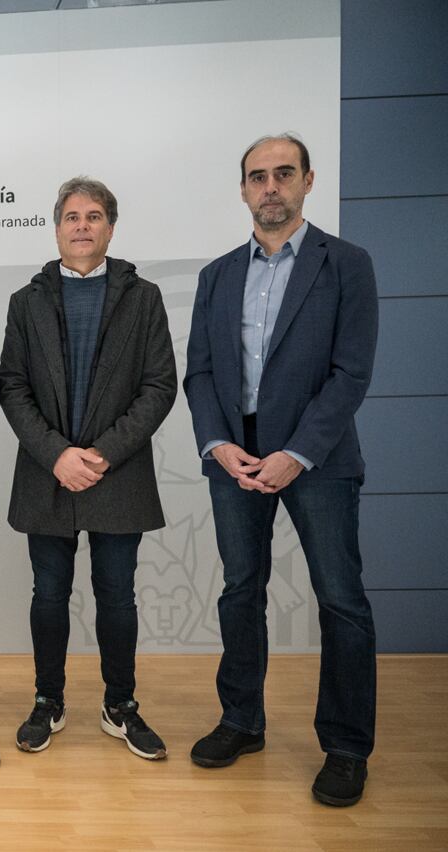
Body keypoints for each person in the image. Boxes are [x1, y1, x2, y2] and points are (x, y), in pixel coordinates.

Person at [184, 134, 379, 806]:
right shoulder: (217, 276)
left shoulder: (347, 264)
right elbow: (201, 371)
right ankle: (242, 720)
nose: (271, 187)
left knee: (341, 602)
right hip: (235, 458)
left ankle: (347, 748)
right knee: (241, 591)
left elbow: (351, 373)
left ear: (307, 181)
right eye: (257, 177)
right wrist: (216, 442)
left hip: (317, 458)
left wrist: (295, 454)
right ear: (242, 189)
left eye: (283, 174)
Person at [0, 177, 177, 760]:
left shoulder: (143, 297)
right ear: (56, 228)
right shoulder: (26, 302)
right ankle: (48, 700)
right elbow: (13, 387)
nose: (81, 225)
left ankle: (119, 705)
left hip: (115, 473)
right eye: (71, 216)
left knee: (117, 597)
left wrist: (101, 454)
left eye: (93, 216)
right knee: (48, 596)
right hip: (49, 473)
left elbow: (158, 386)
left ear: (110, 227)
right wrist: (56, 454)